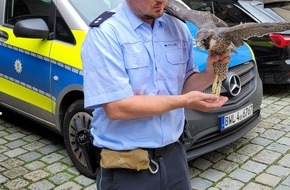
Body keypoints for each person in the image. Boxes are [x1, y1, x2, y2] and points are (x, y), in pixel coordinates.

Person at [81, 0, 231, 189]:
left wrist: (210, 73)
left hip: (174, 157)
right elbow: (117, 108)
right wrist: (183, 101)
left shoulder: (178, 28)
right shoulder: (105, 33)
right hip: (126, 165)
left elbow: (183, 86)